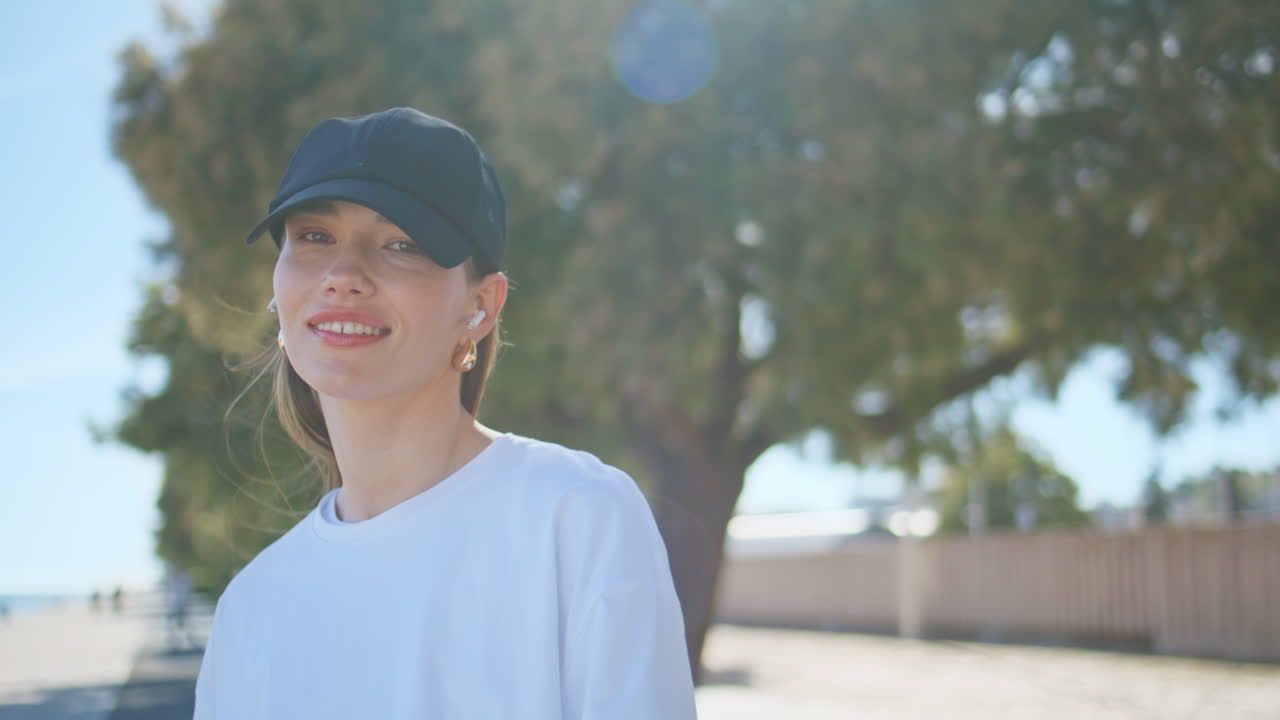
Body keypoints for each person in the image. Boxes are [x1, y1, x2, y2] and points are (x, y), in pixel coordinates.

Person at [193, 107, 696, 719]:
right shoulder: (251, 607)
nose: (342, 276)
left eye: (402, 243)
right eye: (314, 237)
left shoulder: (577, 519)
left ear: (481, 306)